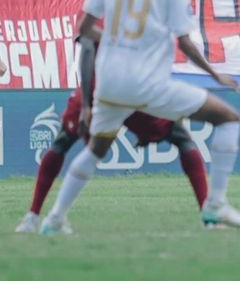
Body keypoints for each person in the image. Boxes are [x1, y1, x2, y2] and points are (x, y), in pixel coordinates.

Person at [39, 0, 240, 235]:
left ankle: (55, 219)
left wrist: (119, 39)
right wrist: (215, 75)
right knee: (227, 117)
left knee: (96, 148)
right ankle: (215, 205)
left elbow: (85, 29)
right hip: (147, 84)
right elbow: (184, 43)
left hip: (108, 83)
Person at [16, 36, 209, 233]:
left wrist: (85, 103)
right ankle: (209, 215)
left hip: (99, 86)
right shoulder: (145, 10)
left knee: (64, 143)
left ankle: (34, 217)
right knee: (181, 138)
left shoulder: (99, 8)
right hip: (131, 87)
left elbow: (89, 49)